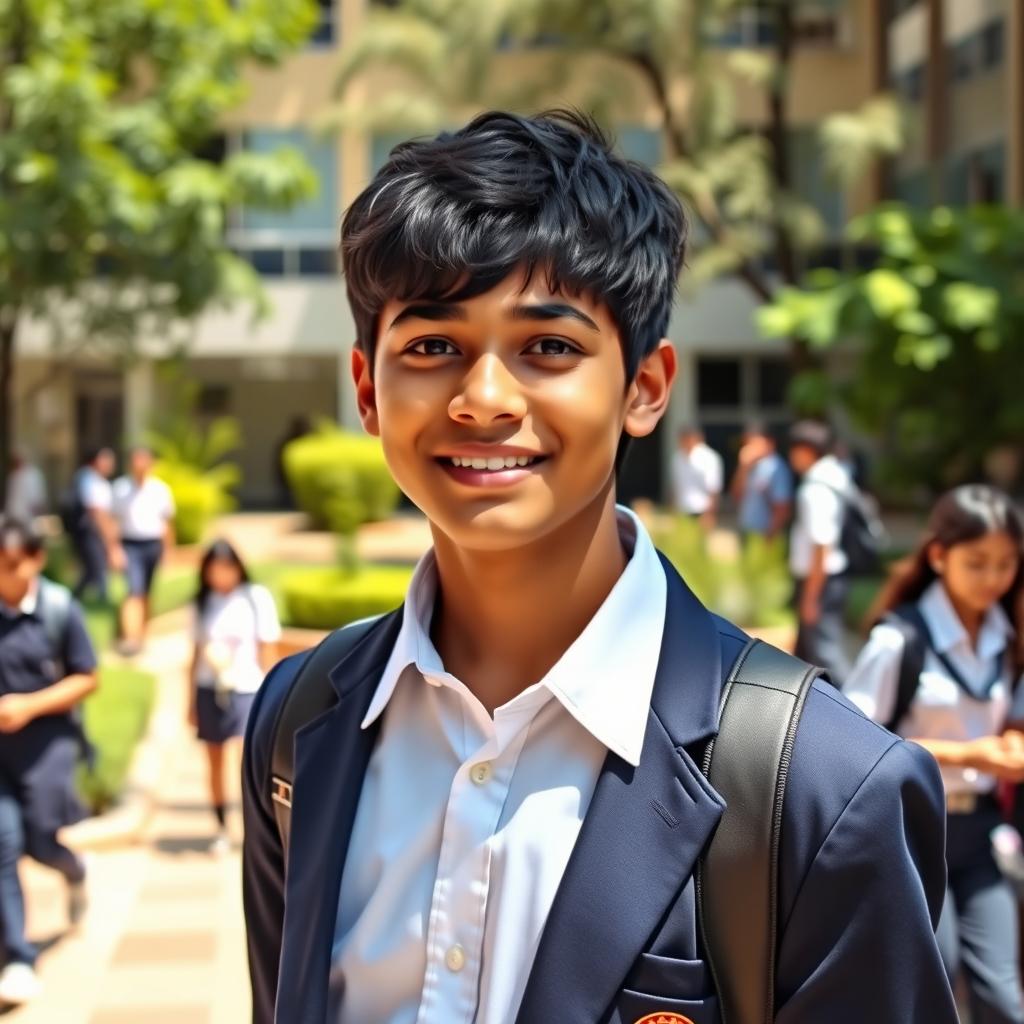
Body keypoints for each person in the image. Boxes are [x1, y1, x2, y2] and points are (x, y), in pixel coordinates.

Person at [241, 110, 955, 1023]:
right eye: (431, 347)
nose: (483, 400)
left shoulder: (823, 787)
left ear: (646, 387)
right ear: (369, 391)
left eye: (550, 347)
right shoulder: (298, 726)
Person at [845, 485, 1024, 1024]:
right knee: (935, 981)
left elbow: (1012, 720)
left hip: (980, 834)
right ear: (939, 556)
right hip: (913, 834)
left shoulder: (1009, 635)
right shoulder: (899, 640)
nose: (993, 579)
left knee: (1002, 996)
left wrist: (1010, 748)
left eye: (1007, 564)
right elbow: (853, 741)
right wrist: (968, 753)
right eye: (978, 563)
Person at [0, 517, 97, 1007]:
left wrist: (28, 705)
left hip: (47, 745)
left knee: (40, 839)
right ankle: (17, 955)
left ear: (35, 560)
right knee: (3, 844)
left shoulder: (60, 609)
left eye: (11, 567)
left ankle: (74, 869)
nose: (3, 577)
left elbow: (88, 677)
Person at [189, 540, 280, 855]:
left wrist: (275, 694)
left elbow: (267, 647)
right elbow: (195, 652)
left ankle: (253, 826)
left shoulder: (255, 598)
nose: (220, 577)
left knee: (248, 760)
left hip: (247, 686)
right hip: (210, 687)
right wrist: (190, 701)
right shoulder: (202, 604)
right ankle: (220, 825)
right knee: (214, 758)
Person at [787, 419, 855, 686]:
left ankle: (858, 713)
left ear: (805, 450)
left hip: (819, 581)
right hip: (829, 578)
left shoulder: (815, 489)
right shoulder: (837, 476)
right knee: (804, 657)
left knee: (826, 654)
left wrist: (811, 597)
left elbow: (821, 544)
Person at [111, 446, 175, 656]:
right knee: (134, 590)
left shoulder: (160, 490)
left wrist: (168, 550)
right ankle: (130, 638)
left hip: (152, 544)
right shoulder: (120, 489)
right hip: (130, 544)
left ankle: (142, 634)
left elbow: (167, 523)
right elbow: (113, 522)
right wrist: (114, 549)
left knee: (146, 592)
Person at [64, 448, 120, 605]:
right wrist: (109, 536)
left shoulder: (100, 481)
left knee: (93, 568)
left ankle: (74, 598)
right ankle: (103, 600)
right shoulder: (88, 478)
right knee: (97, 566)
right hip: (88, 531)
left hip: (96, 531)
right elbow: (96, 511)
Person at [730, 422, 792, 541]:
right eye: (746, 443)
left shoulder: (776, 467)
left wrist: (770, 536)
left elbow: (782, 507)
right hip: (747, 530)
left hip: (766, 534)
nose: (748, 447)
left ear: (769, 443)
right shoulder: (748, 466)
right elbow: (736, 496)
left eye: (753, 442)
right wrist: (742, 468)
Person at [670, 425, 724, 529]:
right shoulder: (677, 457)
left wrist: (710, 514)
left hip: (702, 511)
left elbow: (714, 488)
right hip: (682, 509)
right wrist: (672, 510)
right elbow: (675, 486)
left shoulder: (709, 457)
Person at [4, 451, 47, 525]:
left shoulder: (33, 475)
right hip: (13, 516)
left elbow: (37, 497)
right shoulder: (12, 476)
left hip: (29, 517)